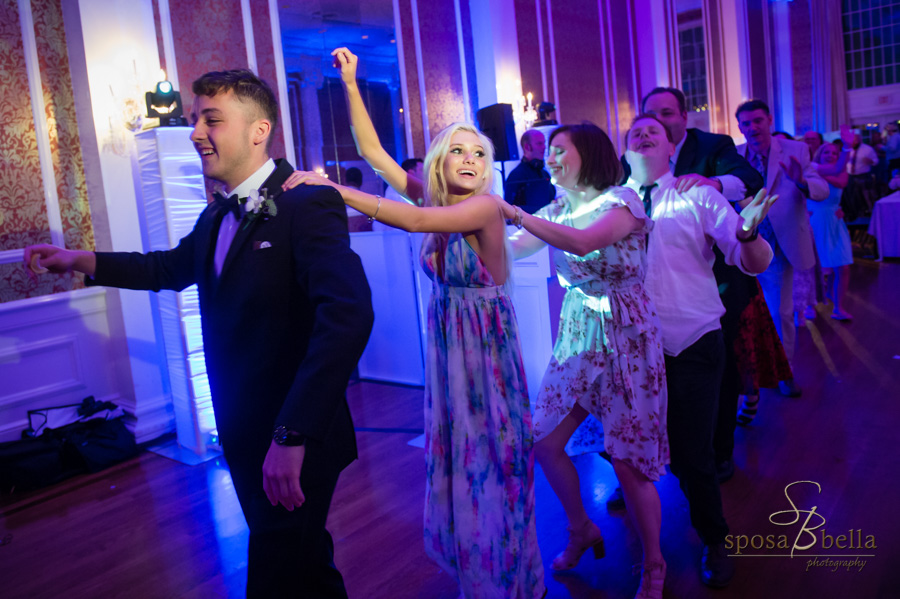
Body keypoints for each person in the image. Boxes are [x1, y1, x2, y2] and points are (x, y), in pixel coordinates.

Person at [25, 69, 374, 598]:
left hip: (295, 437)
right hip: (242, 429)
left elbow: (348, 315)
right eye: (194, 120)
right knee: (303, 561)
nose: (195, 132)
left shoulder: (307, 202)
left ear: (259, 131)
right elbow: (166, 269)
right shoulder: (215, 217)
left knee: (277, 573)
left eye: (212, 119)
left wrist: (291, 435)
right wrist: (80, 259)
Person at [285, 47, 545, 599]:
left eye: (480, 151)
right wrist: (352, 85)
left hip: (486, 361)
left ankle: (513, 584)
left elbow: (417, 220)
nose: (471, 159)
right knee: (459, 464)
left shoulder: (486, 208)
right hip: (451, 348)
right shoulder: (434, 194)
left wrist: (333, 189)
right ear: (440, 162)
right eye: (458, 150)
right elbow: (374, 153)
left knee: (491, 469)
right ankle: (478, 576)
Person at [500, 123, 668, 599]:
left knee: (626, 460)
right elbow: (512, 251)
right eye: (548, 152)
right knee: (545, 441)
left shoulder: (623, 202)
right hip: (577, 333)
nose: (549, 159)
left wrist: (510, 211)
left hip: (625, 337)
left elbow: (583, 242)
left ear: (587, 154)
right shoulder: (554, 209)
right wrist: (462, 231)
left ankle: (654, 563)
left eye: (558, 150)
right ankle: (580, 528)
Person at [624, 114, 776, 589]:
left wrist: (749, 235)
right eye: (634, 133)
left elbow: (747, 257)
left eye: (654, 131)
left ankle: (715, 538)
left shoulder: (696, 194)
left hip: (690, 339)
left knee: (692, 453)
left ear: (673, 149)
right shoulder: (612, 202)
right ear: (625, 153)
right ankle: (642, 529)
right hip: (629, 348)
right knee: (625, 446)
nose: (644, 135)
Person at [735, 99, 829, 398]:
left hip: (780, 245)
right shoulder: (735, 155)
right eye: (746, 123)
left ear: (769, 120)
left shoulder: (795, 150)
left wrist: (800, 180)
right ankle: (746, 378)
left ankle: (785, 372)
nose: (752, 128)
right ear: (739, 127)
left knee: (781, 312)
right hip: (741, 247)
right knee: (742, 315)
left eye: (757, 121)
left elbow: (822, 189)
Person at [812, 142, 854, 320]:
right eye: (826, 152)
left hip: (836, 220)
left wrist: (819, 172)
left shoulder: (839, 171)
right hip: (815, 220)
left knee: (843, 267)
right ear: (820, 155)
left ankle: (839, 308)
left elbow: (842, 182)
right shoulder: (811, 170)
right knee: (816, 269)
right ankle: (810, 305)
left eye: (835, 153)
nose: (830, 155)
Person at [504, 129, 556, 214]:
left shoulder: (545, 174)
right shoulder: (516, 175)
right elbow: (508, 208)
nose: (544, 147)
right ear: (527, 147)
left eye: (544, 143)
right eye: (539, 144)